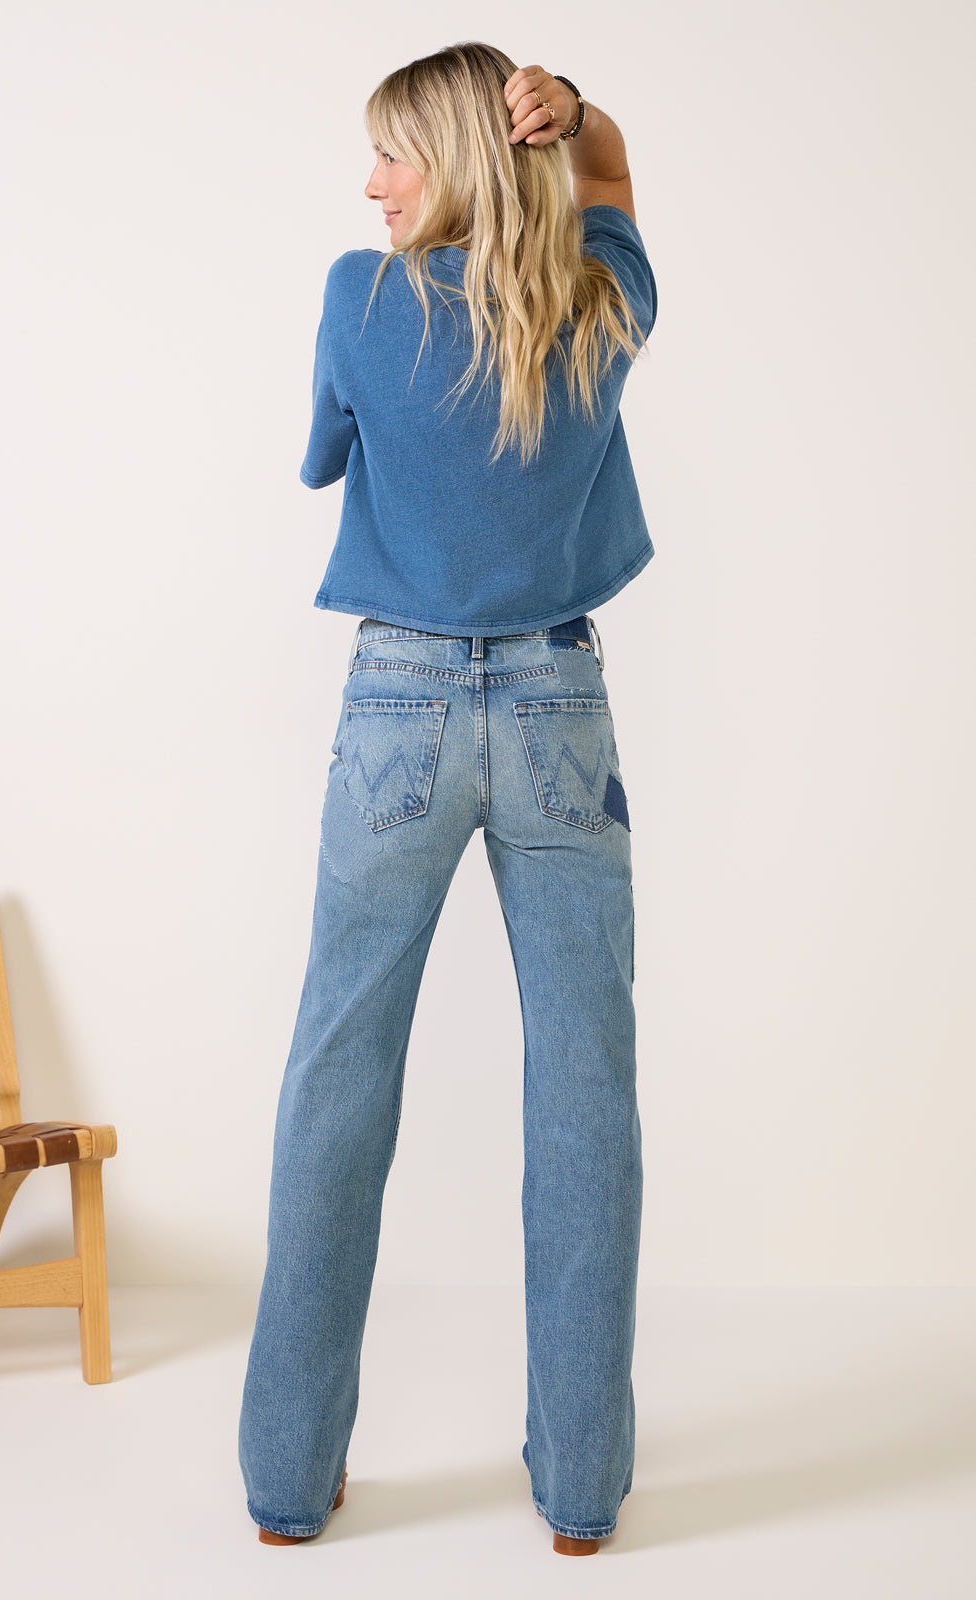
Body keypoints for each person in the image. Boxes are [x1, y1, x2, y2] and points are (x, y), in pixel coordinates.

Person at [238, 40, 658, 1558]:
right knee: (587, 1091)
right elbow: (612, 180)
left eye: (393, 155)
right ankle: (582, 1490)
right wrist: (579, 116)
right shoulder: (601, 300)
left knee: (336, 1077)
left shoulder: (362, 300)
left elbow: (320, 459)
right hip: (558, 709)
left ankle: (289, 1480)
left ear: (458, 163)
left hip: (397, 712)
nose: (371, 185)